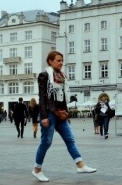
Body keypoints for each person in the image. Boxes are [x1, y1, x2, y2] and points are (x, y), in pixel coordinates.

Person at [32, 51, 96, 182]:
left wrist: (67, 113)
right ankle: (37, 169)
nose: (61, 63)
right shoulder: (44, 75)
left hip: (61, 114)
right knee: (46, 142)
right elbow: (43, 98)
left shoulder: (62, 76)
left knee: (70, 139)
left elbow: (63, 98)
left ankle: (80, 165)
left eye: (62, 60)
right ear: (50, 61)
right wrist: (44, 117)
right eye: (58, 60)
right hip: (49, 113)